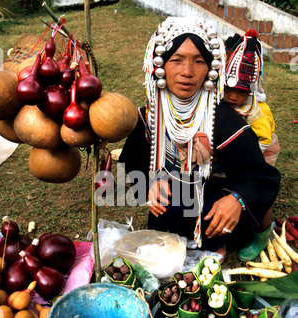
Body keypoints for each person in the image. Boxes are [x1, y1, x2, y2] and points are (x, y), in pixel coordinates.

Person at [119, 17, 281, 262]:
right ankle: (178, 237)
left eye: (199, 61)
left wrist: (236, 200)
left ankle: (222, 242)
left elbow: (259, 176)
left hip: (212, 196)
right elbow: (131, 165)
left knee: (216, 208)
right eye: (176, 60)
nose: (187, 72)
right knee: (170, 202)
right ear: (159, 64)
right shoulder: (148, 117)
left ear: (210, 68)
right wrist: (149, 183)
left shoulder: (224, 120)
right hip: (176, 196)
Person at [223, 30, 280, 260]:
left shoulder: (256, 112)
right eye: (228, 89)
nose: (233, 97)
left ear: (251, 90)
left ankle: (262, 233)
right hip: (239, 152)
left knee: (259, 190)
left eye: (241, 92)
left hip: (262, 153)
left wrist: (248, 165)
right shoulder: (223, 102)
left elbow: (264, 141)